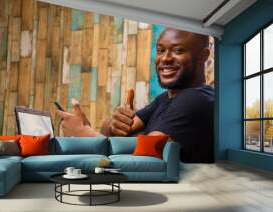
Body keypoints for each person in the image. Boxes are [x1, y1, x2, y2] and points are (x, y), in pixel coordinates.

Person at [56, 28, 214, 163]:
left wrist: (84, 134)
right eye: (160, 50)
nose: (165, 58)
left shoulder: (195, 100)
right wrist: (114, 124)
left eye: (178, 50)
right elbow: (113, 131)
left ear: (203, 56)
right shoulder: (165, 99)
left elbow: (148, 155)